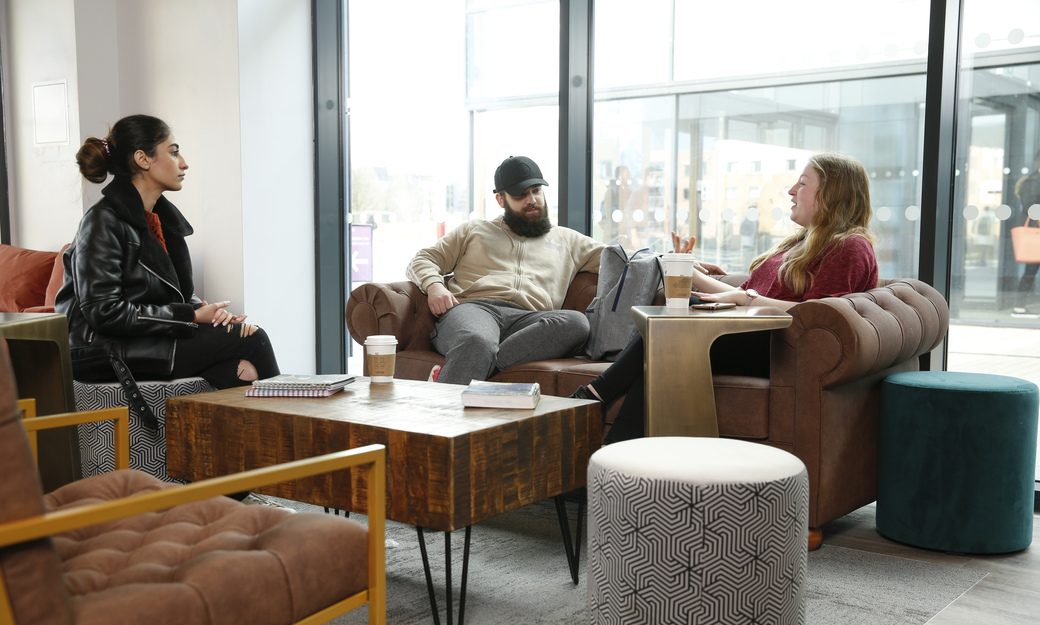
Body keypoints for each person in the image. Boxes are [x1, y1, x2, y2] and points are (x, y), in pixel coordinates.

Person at [572, 152, 879, 444]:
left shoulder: (849, 247)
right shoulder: (798, 245)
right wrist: (684, 266)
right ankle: (615, 457)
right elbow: (741, 294)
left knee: (673, 327)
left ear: (832, 192)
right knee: (665, 349)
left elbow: (819, 315)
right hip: (746, 335)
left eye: (802, 182)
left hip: (777, 349)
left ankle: (598, 398)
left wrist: (747, 299)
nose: (790, 190)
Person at [57, 114, 280, 393]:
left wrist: (206, 312)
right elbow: (104, 312)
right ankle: (295, 432)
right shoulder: (102, 221)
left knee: (242, 370)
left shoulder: (159, 220)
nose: (184, 163)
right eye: (174, 152)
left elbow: (175, 294)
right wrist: (190, 316)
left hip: (144, 340)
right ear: (143, 159)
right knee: (253, 339)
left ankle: (229, 437)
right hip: (99, 350)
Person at [406, 155, 606, 385]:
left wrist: (658, 265)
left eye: (536, 190)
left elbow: (620, 259)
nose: (532, 200)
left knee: (576, 324)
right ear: (501, 200)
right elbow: (423, 258)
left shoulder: (567, 240)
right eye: (520, 195)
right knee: (477, 340)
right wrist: (434, 286)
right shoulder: (474, 231)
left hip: (529, 322)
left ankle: (469, 367)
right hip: (475, 311)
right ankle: (444, 413)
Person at [1013, 151, 1040, 315]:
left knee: (1030, 271)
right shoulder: (1032, 181)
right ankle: (1018, 307)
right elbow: (1032, 207)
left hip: (1036, 233)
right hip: (1035, 234)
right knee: (1030, 271)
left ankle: (1019, 306)